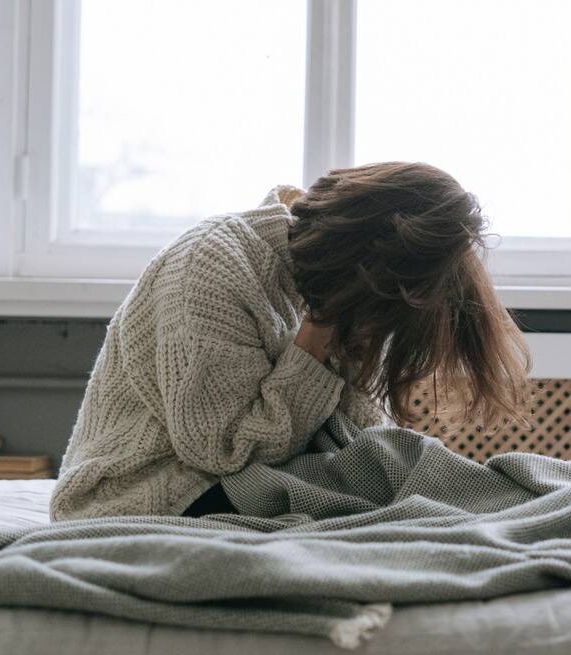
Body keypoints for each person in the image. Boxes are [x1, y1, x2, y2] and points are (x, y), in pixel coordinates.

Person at [50, 162, 531, 521]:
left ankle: (534, 503)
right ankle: (527, 509)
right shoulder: (212, 267)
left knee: (392, 465)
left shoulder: (331, 285)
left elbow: (353, 440)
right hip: (141, 495)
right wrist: (315, 339)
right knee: (396, 474)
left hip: (233, 482)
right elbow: (223, 451)